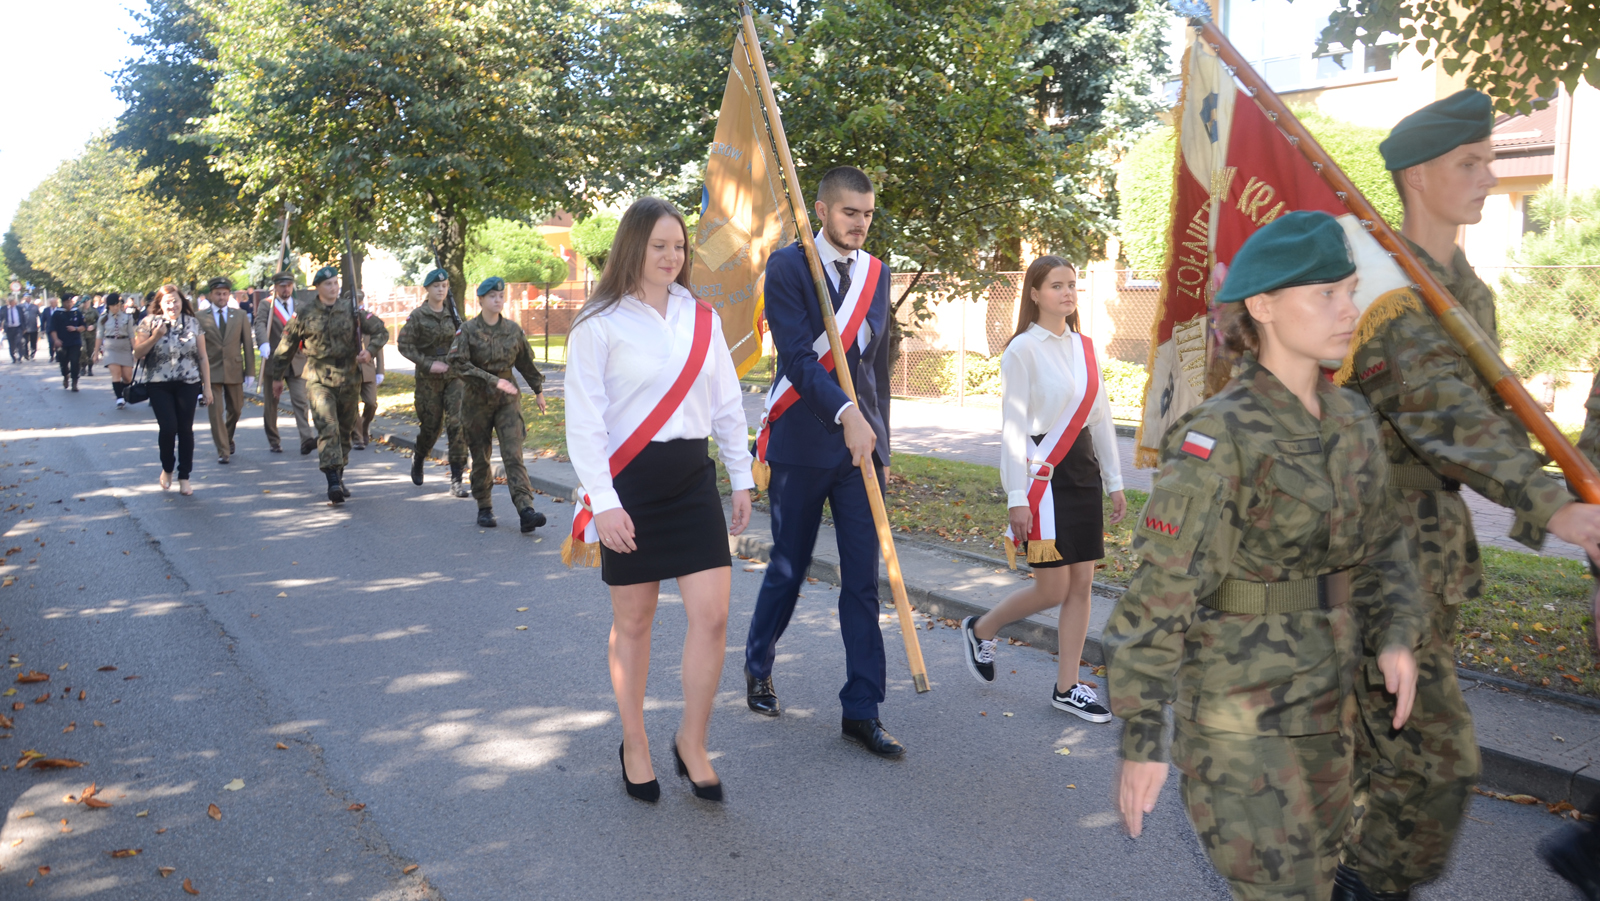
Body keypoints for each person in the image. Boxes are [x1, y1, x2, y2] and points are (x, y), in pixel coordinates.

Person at [1105, 212, 1425, 901]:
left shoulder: (1353, 420)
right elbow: (1159, 595)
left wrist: (1397, 634)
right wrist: (1141, 736)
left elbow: (1386, 545)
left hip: (1340, 705)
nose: (1348, 310)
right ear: (1263, 306)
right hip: (1245, 720)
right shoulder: (1219, 436)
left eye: (1349, 290)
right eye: (1326, 295)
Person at [1339, 90, 1600, 901]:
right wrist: (1551, 503)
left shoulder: (1467, 288)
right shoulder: (1381, 288)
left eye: (1489, 160)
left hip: (1432, 560)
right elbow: (1441, 411)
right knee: (1424, 766)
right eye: (1471, 162)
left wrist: (1571, 477)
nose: (1490, 175)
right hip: (1367, 561)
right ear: (1417, 176)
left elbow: (1494, 420)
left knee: (1409, 770)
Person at [564, 197, 754, 802]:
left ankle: (692, 740)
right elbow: (585, 423)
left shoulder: (702, 318)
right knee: (635, 621)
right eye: (660, 246)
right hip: (628, 488)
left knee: (714, 616)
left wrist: (741, 475)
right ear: (634, 249)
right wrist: (604, 500)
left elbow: (725, 403)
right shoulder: (598, 324)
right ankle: (635, 739)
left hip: (691, 480)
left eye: (680, 247)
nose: (672, 256)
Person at [742, 166, 901, 757]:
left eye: (867, 214)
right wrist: (846, 415)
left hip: (861, 452)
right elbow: (800, 364)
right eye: (848, 213)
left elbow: (876, 372)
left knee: (863, 580)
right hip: (803, 443)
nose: (859, 224)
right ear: (822, 211)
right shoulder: (787, 268)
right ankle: (758, 662)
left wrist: (881, 445)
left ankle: (862, 708)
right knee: (789, 564)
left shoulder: (877, 275)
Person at [959, 256, 1126, 720]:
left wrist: (1114, 481)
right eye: (1057, 286)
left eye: (1073, 285)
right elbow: (1013, 429)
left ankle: (1067, 686)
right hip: (1044, 480)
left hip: (1084, 475)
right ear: (1034, 293)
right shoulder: (1022, 351)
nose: (1068, 293)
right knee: (1052, 587)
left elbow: (1102, 419)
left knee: (1082, 585)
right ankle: (982, 629)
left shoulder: (1086, 348)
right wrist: (1016, 497)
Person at [266, 266, 388, 505]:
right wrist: (277, 377)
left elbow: (381, 331)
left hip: (350, 377)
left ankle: (339, 475)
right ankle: (332, 479)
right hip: (319, 377)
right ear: (318, 288)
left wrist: (369, 352)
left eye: (336, 282)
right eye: (328, 284)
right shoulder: (304, 312)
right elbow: (285, 346)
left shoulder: (352, 310)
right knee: (328, 427)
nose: (334, 287)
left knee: (344, 432)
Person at [447, 277, 548, 531]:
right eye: (492, 296)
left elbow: (525, 362)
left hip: (507, 401)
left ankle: (526, 510)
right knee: (481, 457)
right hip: (475, 401)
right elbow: (458, 363)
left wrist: (538, 390)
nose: (498, 300)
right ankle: (484, 506)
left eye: (501, 295)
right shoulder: (468, 330)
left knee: (513, 454)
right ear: (480, 300)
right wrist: (492, 380)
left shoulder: (513, 330)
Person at [133, 285, 213, 495]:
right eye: (167, 301)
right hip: (159, 383)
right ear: (160, 304)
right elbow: (137, 353)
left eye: (176, 300)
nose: (172, 305)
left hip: (188, 381)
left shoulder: (193, 323)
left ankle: (184, 476)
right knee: (168, 428)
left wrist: (208, 387)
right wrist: (155, 336)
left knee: (185, 429)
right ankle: (167, 468)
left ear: (182, 302)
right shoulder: (148, 323)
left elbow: (203, 357)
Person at [397, 268, 470, 494]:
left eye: (445, 286)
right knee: (431, 426)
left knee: (457, 423)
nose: (441, 289)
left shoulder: (453, 314)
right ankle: (419, 455)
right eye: (436, 286)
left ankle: (457, 478)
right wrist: (428, 363)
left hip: (454, 376)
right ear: (427, 289)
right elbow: (404, 345)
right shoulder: (418, 316)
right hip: (429, 379)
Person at [255, 272, 316, 455]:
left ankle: (306, 439)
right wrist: (263, 343)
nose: (286, 289)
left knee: (300, 400)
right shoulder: (267, 305)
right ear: (275, 288)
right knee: (271, 404)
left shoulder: (301, 306)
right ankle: (274, 440)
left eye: (289, 285)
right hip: (275, 360)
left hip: (297, 361)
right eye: (282, 286)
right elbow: (260, 324)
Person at [199, 277, 256, 465]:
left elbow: (248, 344)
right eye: (218, 294)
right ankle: (223, 450)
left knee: (236, 409)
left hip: (234, 368)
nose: (221, 297)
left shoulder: (238, 316)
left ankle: (227, 435)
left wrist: (250, 372)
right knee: (216, 412)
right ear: (210, 295)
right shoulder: (200, 317)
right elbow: (196, 348)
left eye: (224, 294)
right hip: (211, 371)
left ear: (228, 295)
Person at [351, 298, 384, 450]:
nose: (358, 304)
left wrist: (380, 371)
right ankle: (358, 437)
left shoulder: (369, 319)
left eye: (359, 301)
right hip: (351, 369)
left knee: (371, 403)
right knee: (351, 405)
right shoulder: (345, 320)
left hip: (368, 369)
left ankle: (363, 428)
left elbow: (379, 345)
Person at [94, 294, 136, 408]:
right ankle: (119, 398)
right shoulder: (103, 318)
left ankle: (121, 390)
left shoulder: (127, 318)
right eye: (113, 306)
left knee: (128, 377)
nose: (116, 308)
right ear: (108, 306)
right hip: (110, 347)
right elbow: (99, 335)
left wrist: (136, 350)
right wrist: (96, 352)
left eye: (117, 305)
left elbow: (132, 335)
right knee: (116, 373)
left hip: (124, 346)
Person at [48, 294, 86, 391]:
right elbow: (52, 328)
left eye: (70, 302)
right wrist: (56, 340)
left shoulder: (76, 312)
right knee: (63, 362)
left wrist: (76, 328)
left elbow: (83, 326)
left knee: (75, 362)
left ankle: (74, 382)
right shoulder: (57, 313)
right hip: (62, 343)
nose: (69, 304)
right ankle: (65, 376)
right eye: (67, 302)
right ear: (63, 303)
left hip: (75, 342)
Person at [80, 294, 100, 378]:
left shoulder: (94, 311)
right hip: (82, 333)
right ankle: (83, 367)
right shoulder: (79, 310)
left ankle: (90, 369)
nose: (86, 304)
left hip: (91, 334)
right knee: (83, 350)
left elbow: (99, 321)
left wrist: (94, 326)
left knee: (90, 351)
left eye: (87, 302)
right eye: (84, 302)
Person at [19, 295, 40, 360]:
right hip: (24, 328)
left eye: (29, 298)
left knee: (33, 342)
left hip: (33, 327)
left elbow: (39, 315)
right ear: (24, 298)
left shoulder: (35, 307)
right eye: (26, 297)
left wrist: (39, 324)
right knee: (24, 342)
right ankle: (26, 354)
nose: (28, 299)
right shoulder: (20, 307)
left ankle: (32, 354)